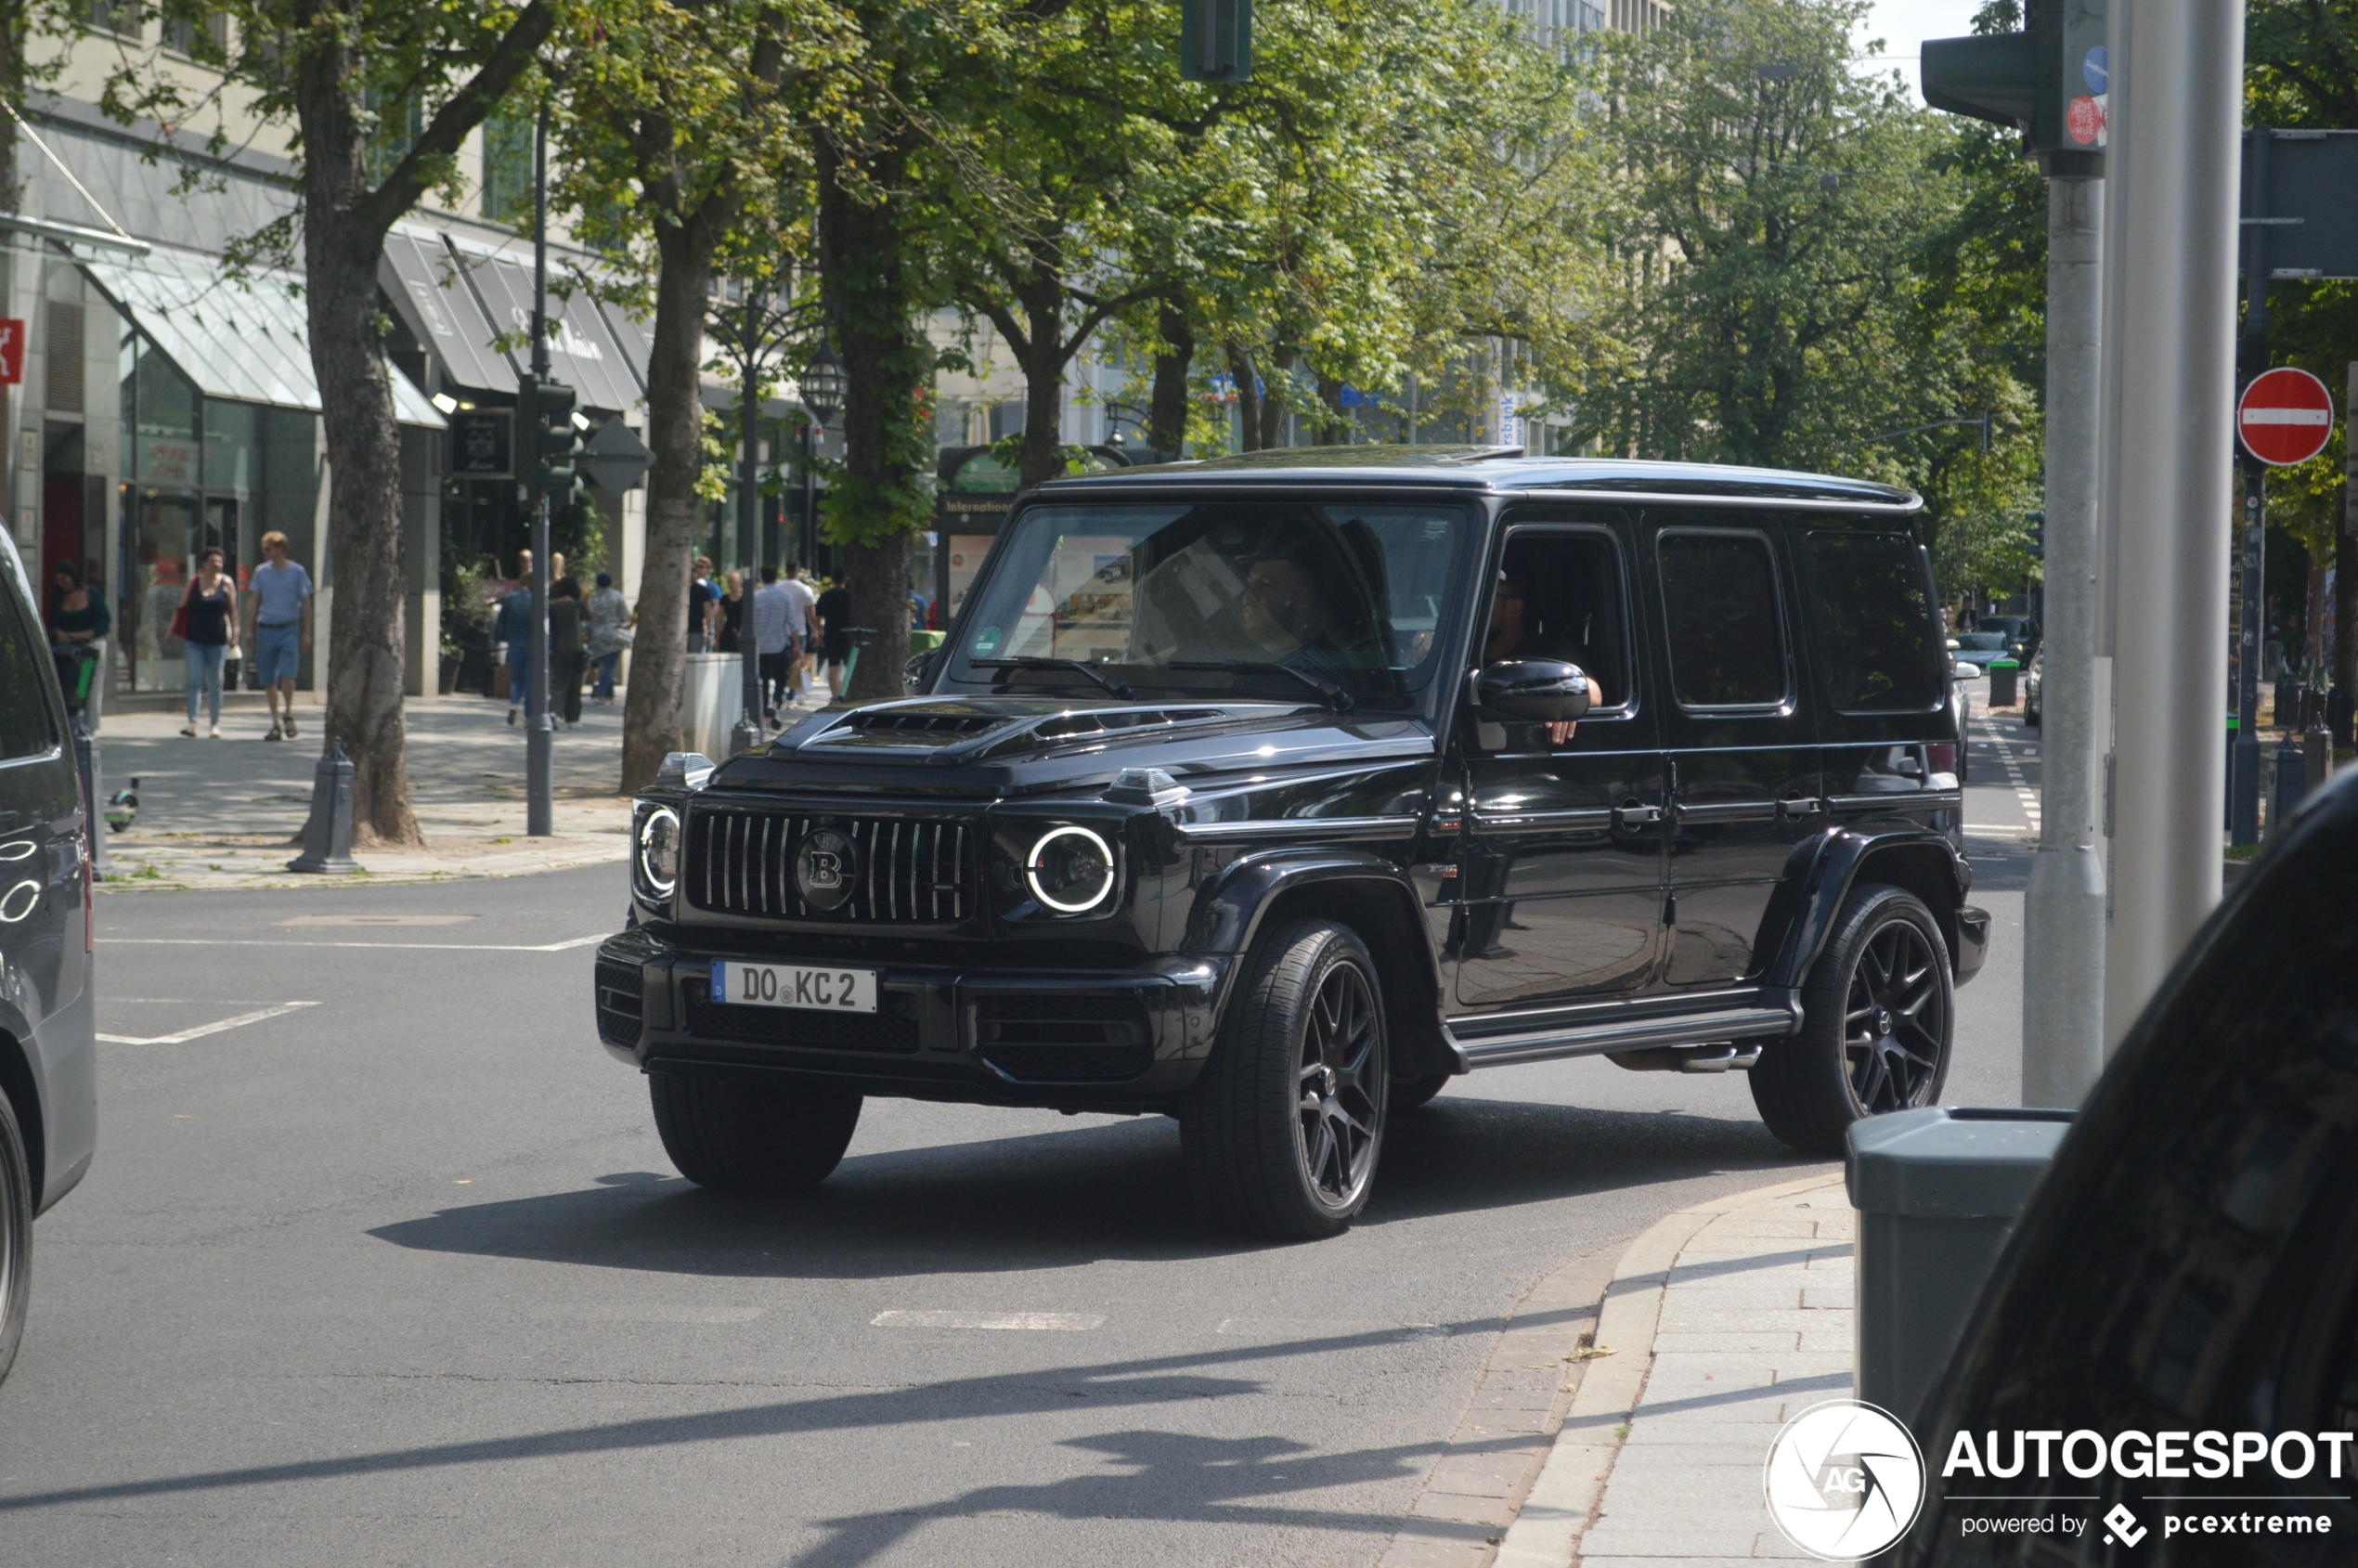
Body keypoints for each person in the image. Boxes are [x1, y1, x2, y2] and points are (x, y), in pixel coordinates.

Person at [1483, 573, 1603, 745]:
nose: (1474, 608)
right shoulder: (1458, 654)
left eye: (1486, 596)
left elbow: (1593, 692)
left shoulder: (1549, 651)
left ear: (1514, 608)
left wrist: (1561, 702)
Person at [244, 530, 314, 742]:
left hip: (289, 628)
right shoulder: (261, 572)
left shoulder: (297, 571)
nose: (265, 552)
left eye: (269, 548)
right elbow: (253, 600)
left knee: (288, 673)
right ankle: (275, 723)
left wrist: (307, 631)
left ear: (281, 549)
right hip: (266, 628)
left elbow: (306, 602)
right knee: (268, 678)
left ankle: (288, 713)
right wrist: (249, 630)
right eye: (263, 548)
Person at [179, 548, 235, 738]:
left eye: (219, 561)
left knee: (215, 683)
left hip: (218, 640)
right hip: (194, 639)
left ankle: (215, 724)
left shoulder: (226, 583)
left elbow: (233, 610)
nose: (216, 564)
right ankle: (192, 722)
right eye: (212, 561)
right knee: (194, 681)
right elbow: (182, 608)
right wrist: (172, 630)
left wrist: (236, 633)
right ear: (204, 563)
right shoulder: (194, 583)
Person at [45, 561, 110, 724]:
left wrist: (89, 632)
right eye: (58, 580)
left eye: (64, 579)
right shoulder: (59, 597)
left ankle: (86, 720)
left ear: (73, 578)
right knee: (66, 682)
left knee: (86, 686)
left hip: (89, 648)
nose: (61, 584)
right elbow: (53, 621)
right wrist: (58, 632)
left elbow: (105, 619)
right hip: (66, 648)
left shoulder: (92, 593)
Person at [750, 565, 797, 724]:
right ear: (776, 577)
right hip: (780, 644)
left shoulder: (756, 597)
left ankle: (763, 710)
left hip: (761, 645)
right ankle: (776, 703)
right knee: (781, 678)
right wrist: (797, 644)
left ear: (762, 577)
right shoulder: (785, 596)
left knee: (762, 679)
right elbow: (792, 622)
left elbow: (751, 621)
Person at [493, 555, 536, 726]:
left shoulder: (511, 599)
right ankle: (528, 715)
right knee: (530, 680)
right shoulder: (538, 600)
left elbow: (501, 620)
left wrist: (498, 638)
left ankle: (513, 704)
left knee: (516, 679)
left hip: (515, 643)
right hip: (533, 645)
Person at [587, 571, 631, 703]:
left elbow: (589, 619)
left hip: (597, 635)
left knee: (604, 665)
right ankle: (601, 694)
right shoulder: (617, 597)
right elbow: (626, 617)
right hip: (613, 634)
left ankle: (609, 694)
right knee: (610, 667)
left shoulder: (593, 599)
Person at [549, 577, 586, 728]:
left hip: (557, 647)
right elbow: (590, 616)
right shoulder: (577, 605)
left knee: (558, 681)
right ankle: (573, 719)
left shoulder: (552, 606)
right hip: (576, 648)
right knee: (575, 684)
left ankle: (553, 712)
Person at [782, 562, 820, 699]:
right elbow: (811, 614)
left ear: (786, 571)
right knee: (797, 663)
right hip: (800, 630)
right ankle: (792, 694)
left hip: (782, 630)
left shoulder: (779, 587)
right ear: (797, 571)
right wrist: (815, 631)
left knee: (784, 662)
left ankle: (783, 692)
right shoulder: (805, 589)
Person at [815, 575, 853, 699]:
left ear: (832, 580)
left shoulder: (826, 596)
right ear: (845, 580)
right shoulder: (850, 595)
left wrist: (820, 633)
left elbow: (818, 616)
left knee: (833, 665)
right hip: (849, 634)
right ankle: (848, 693)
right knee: (850, 665)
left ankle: (835, 695)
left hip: (831, 633)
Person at [686, 556, 719, 650]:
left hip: (696, 631)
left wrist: (709, 631)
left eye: (693, 570)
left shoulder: (703, 590)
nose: (692, 572)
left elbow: (709, 611)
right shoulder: (679, 591)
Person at [716, 570, 746, 654]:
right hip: (728, 633)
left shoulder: (746, 598)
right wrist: (717, 640)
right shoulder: (724, 599)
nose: (730, 584)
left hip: (742, 632)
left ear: (739, 582)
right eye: (729, 582)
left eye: (733, 582)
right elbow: (719, 621)